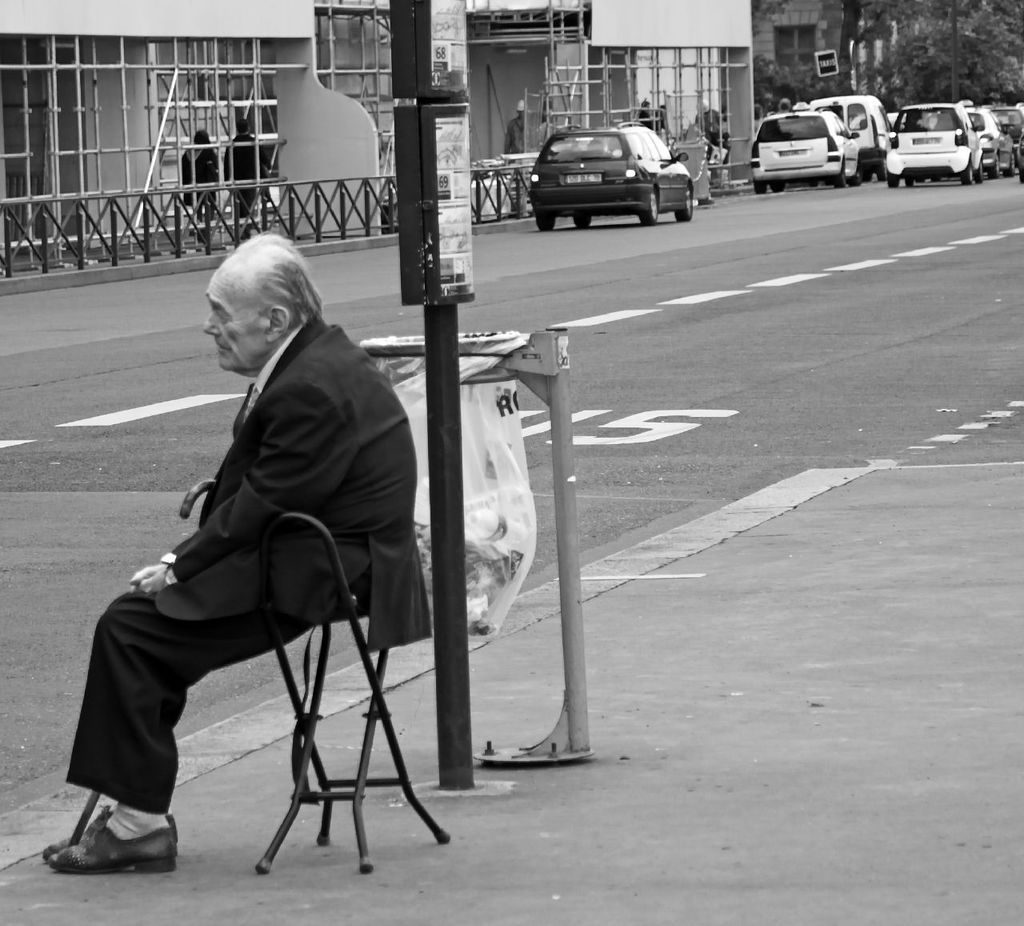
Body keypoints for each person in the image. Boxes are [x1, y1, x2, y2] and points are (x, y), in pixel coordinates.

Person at [43, 233, 431, 874]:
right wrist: (218, 495)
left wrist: (179, 562)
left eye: (222, 313)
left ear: (274, 319)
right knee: (141, 631)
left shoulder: (309, 384)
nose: (209, 328)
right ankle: (135, 809)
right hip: (317, 551)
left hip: (323, 570)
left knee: (132, 630)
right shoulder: (314, 358)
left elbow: (272, 496)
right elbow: (281, 477)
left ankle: (139, 823)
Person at [224, 117, 272, 239]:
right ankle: (246, 230)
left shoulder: (232, 144)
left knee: (238, 206)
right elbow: (265, 160)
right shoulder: (253, 142)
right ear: (249, 128)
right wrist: (267, 166)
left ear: (237, 129)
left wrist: (226, 180)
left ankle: (240, 231)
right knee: (249, 206)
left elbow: (226, 163)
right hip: (251, 179)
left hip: (236, 179)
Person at [181, 129, 218, 245]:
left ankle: (198, 230)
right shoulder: (208, 152)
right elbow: (214, 170)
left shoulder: (187, 153)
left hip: (192, 188)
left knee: (197, 211)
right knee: (209, 209)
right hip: (207, 187)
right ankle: (205, 232)